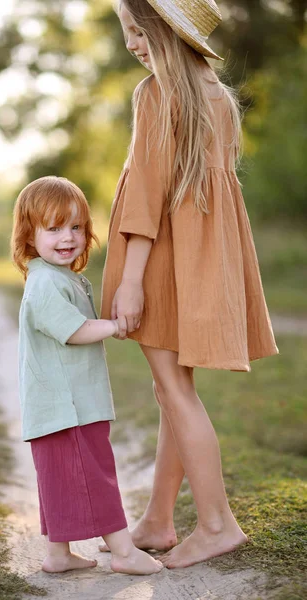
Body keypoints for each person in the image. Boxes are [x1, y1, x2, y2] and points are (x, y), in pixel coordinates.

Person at [100, 0, 279, 569]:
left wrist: (131, 281)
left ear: (163, 28)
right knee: (171, 393)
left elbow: (147, 198)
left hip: (162, 260)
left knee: (175, 392)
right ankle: (157, 519)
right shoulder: (216, 97)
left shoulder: (156, 95)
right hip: (204, 260)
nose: (131, 43)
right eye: (125, 32)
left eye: (135, 29)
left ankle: (216, 523)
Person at [11, 175, 163, 575]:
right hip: (69, 406)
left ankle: (58, 556)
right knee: (96, 477)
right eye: (55, 228)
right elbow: (75, 331)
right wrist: (114, 326)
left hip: (64, 406)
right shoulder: (45, 282)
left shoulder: (61, 277)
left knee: (61, 480)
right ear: (29, 236)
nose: (68, 237)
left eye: (76, 226)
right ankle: (125, 553)